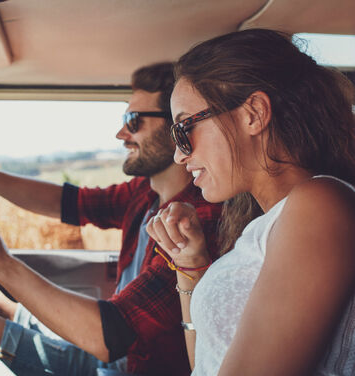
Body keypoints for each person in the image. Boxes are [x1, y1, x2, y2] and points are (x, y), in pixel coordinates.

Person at [0, 63, 222, 375]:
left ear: (176, 128)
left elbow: (112, 337)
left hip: (127, 365)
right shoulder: (144, 194)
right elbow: (64, 201)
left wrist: (1, 265)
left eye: (133, 121)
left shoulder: (194, 220)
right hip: (114, 352)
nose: (121, 133)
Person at [146, 29, 355, 375]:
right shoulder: (270, 222)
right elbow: (208, 363)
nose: (179, 156)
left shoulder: (319, 205)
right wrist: (191, 264)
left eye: (185, 129)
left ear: (254, 113)